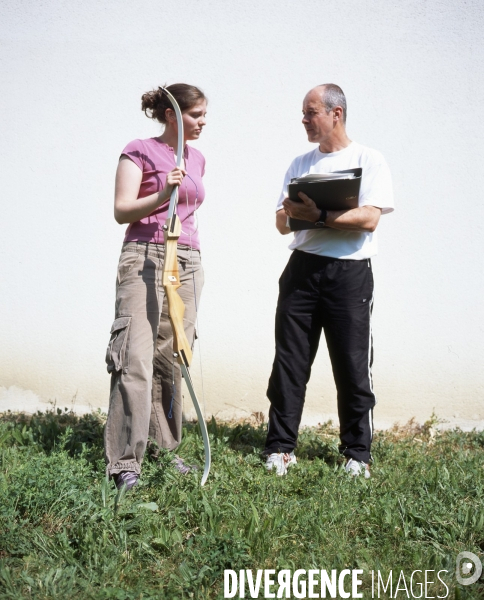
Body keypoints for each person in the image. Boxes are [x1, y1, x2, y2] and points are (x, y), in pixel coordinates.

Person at [264, 84, 394, 478]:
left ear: (336, 113)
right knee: (289, 361)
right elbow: (280, 224)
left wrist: (319, 215)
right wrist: (292, 212)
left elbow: (369, 219)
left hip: (349, 274)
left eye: (311, 112)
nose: (304, 120)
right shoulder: (300, 164)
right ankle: (280, 448)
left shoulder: (369, 160)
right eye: (304, 113)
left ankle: (358, 454)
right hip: (302, 271)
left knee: (353, 366)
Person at [104, 84, 208, 490]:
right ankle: (125, 462)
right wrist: (163, 192)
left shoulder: (197, 157)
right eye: (196, 115)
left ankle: (166, 451)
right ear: (172, 116)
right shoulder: (139, 150)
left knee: (172, 357)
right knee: (135, 356)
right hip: (145, 255)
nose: (202, 123)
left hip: (187, 259)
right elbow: (121, 210)